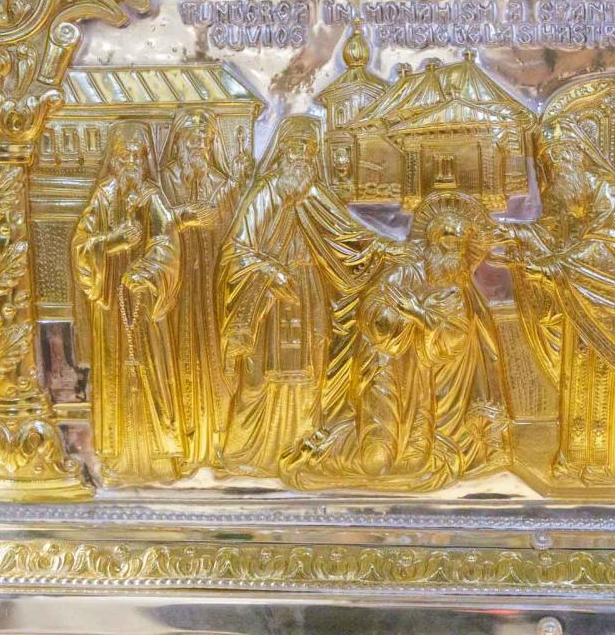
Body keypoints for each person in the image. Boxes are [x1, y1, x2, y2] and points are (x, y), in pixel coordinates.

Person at [281, 191, 510, 492]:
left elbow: (454, 336)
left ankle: (331, 448)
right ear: (432, 241)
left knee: (417, 461)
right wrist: (397, 321)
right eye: (447, 240)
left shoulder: (459, 291)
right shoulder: (405, 272)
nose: (453, 248)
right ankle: (324, 450)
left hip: (429, 391)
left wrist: (418, 314)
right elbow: (373, 307)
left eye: (459, 243)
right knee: (376, 460)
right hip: (385, 374)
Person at [217, 115, 392, 477]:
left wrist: (385, 250)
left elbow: (350, 237)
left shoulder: (314, 194)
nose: (300, 157)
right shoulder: (266, 193)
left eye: (307, 150)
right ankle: (248, 453)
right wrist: (268, 272)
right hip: (267, 300)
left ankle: (300, 445)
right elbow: (236, 250)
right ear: (281, 152)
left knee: (311, 370)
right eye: (294, 149)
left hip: (309, 292)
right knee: (259, 377)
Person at [505, 117, 615, 483]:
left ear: (575, 157)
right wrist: (518, 238)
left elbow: (609, 251)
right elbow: (553, 236)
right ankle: (576, 459)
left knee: (606, 391)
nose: (553, 174)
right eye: (547, 166)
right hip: (582, 313)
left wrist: (552, 268)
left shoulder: (606, 194)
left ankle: (612, 464)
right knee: (579, 387)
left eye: (557, 163)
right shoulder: (572, 197)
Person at [72, 123, 185, 485]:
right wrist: (112, 240)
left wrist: (146, 272)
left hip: (145, 305)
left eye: (138, 156)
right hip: (112, 308)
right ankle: (117, 456)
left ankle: (159, 454)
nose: (132, 162)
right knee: (115, 373)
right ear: (115, 160)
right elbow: (81, 245)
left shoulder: (152, 198)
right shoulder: (103, 197)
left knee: (152, 370)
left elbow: (166, 244)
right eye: (125, 156)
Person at [160, 108, 252, 470]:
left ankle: (216, 441)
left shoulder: (217, 180)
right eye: (194, 138)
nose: (200, 145)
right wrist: (184, 219)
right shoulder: (166, 180)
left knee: (215, 359)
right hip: (177, 288)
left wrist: (236, 187)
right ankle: (183, 442)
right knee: (180, 360)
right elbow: (154, 222)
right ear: (179, 141)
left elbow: (232, 224)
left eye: (207, 139)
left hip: (211, 286)